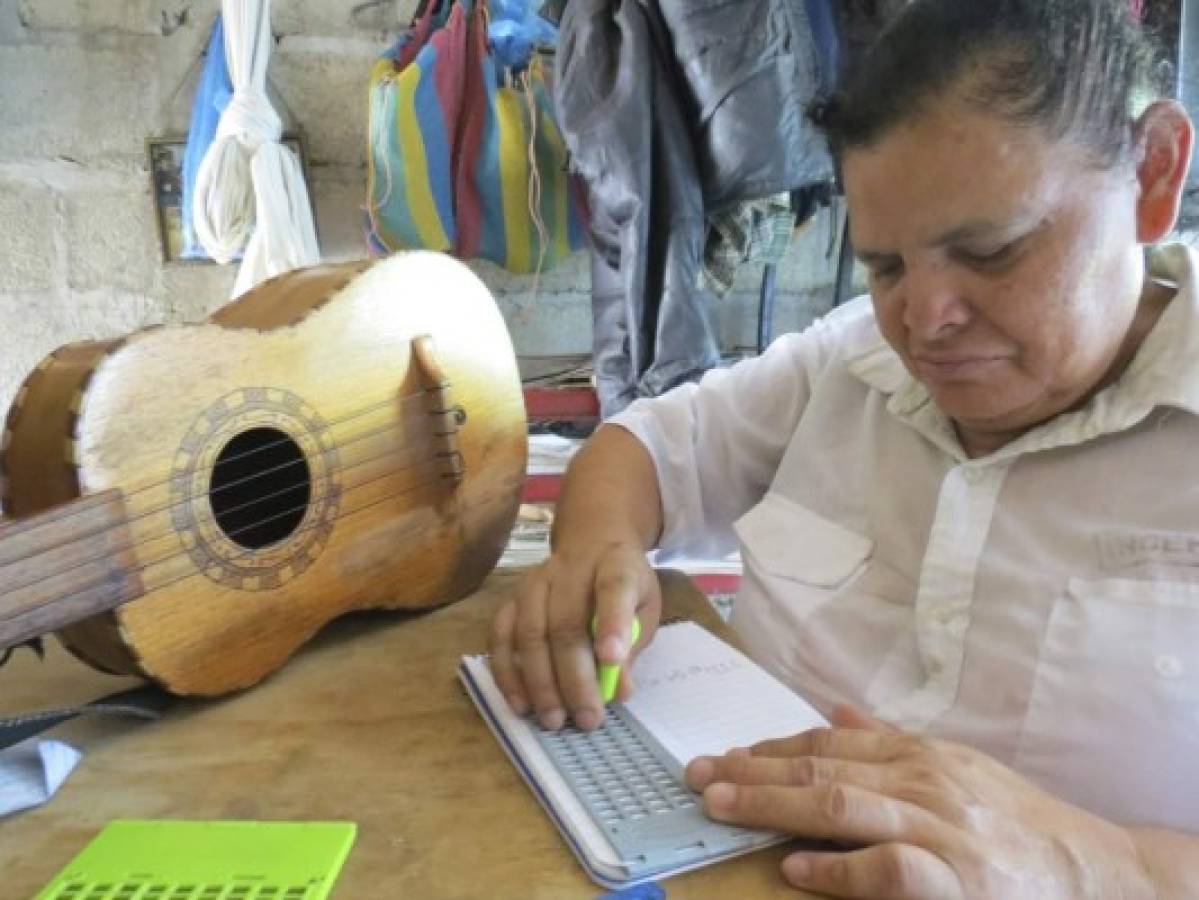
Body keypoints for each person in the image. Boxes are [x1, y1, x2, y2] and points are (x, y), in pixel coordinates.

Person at [489, 0, 1199, 895]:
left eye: (991, 251)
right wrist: (596, 555)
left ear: (1152, 178)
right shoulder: (851, 355)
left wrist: (1102, 860)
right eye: (887, 265)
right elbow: (642, 447)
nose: (925, 321)